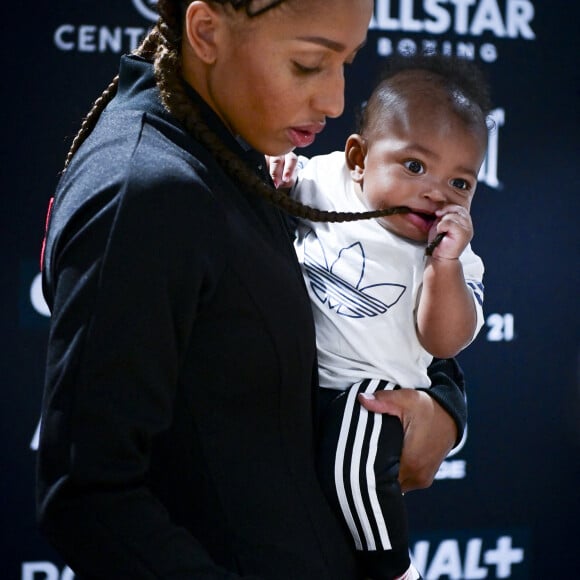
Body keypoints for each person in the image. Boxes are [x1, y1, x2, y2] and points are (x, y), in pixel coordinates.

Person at [36, 2, 470, 578]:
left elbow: (375, 307)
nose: (336, 101)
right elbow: (90, 498)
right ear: (206, 31)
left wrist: (441, 406)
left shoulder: (240, 148)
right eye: (308, 63)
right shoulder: (146, 190)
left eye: (347, 61)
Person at [270, 54, 491, 579]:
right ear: (358, 158)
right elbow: (288, 175)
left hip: (370, 400)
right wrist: (278, 171)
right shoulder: (325, 180)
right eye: (414, 166)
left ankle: (392, 569)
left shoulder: (452, 258)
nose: (436, 192)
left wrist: (444, 267)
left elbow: (445, 341)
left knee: (361, 456)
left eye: (460, 183)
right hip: (293, 391)